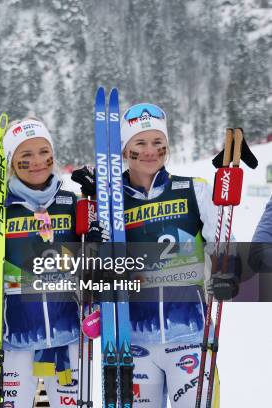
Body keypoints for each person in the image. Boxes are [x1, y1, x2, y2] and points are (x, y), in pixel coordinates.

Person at [0, 118, 102, 408]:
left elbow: (93, 265)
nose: (37, 161)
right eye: (25, 155)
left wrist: (97, 209)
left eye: (44, 151)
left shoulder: (71, 202)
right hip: (15, 335)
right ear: (11, 162)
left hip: (70, 335)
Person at [118, 103, 226, 408]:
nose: (151, 151)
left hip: (190, 335)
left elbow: (223, 243)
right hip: (135, 341)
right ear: (126, 149)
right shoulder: (113, 203)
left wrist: (224, 270)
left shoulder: (193, 190)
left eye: (158, 143)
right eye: (140, 143)